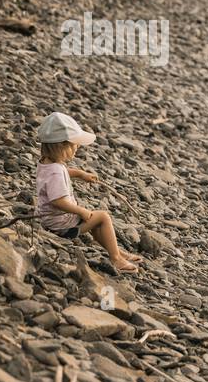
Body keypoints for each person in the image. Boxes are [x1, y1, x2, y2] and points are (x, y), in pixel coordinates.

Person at [34, 112, 143, 273]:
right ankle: (116, 259)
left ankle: (117, 251)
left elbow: (60, 173)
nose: (77, 148)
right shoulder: (56, 171)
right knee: (102, 217)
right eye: (74, 145)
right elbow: (58, 201)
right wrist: (81, 210)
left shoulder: (47, 163)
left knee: (95, 220)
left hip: (49, 219)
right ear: (61, 146)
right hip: (60, 227)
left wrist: (79, 174)